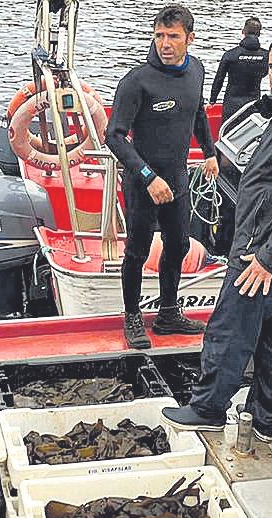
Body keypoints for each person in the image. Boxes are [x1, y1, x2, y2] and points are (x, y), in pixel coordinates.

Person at [161, 30, 272, 442]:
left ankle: (208, 408)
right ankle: (265, 419)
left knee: (230, 331)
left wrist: (266, 257)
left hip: (264, 258)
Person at [106, 4, 219, 350]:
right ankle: (133, 316)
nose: (164, 44)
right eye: (159, 36)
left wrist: (210, 151)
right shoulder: (137, 81)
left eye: (173, 36)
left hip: (178, 177)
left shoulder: (196, 70)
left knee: (179, 245)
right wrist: (147, 176)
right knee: (137, 251)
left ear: (190, 38)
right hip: (144, 183)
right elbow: (114, 136)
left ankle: (169, 312)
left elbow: (197, 111)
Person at [208, 17, 269, 127]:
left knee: (227, 134)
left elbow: (219, 79)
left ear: (243, 31)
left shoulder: (231, 55)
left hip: (231, 105)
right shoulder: (267, 56)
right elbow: (269, 74)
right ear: (259, 34)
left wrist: (213, 100)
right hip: (253, 105)